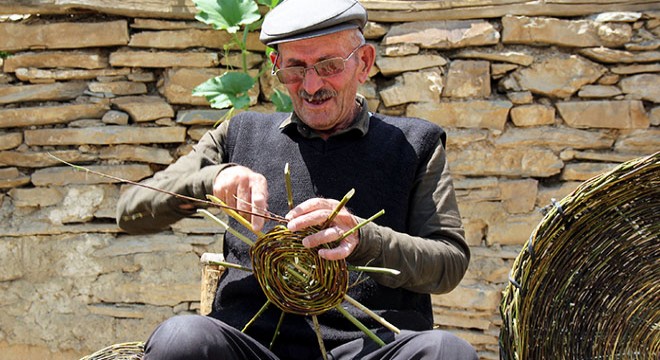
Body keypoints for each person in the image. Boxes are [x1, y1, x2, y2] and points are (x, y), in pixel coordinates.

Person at [116, 0, 477, 359]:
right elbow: (130, 211)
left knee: (447, 351)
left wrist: (364, 238)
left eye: (329, 65)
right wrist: (209, 181)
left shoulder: (415, 144)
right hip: (252, 347)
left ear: (363, 63)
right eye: (295, 68)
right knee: (181, 337)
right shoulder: (239, 133)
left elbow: (449, 263)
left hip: (372, 350)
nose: (311, 84)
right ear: (276, 65)